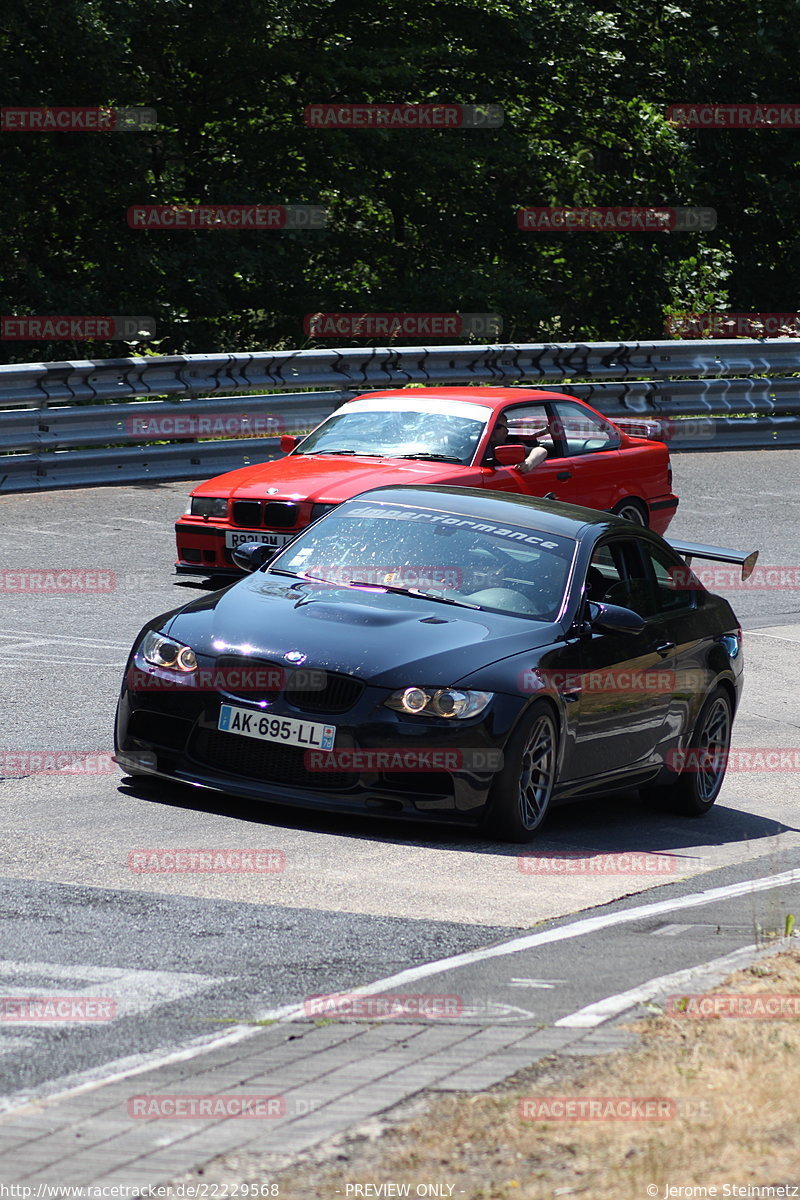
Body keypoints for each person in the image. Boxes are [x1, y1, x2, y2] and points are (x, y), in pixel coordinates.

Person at [483, 415, 548, 474]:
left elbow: (541, 450)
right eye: (487, 426)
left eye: (497, 427)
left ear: (506, 433)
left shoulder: (513, 447)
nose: (491, 430)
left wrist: (529, 462)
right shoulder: (475, 447)